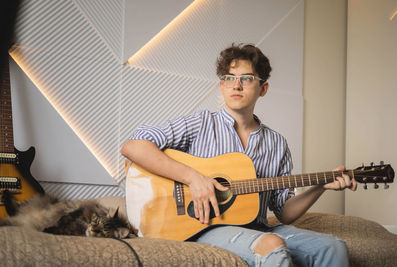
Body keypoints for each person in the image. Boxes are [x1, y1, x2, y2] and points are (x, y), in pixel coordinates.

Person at [121, 43, 357, 267]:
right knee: (272, 245)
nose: (236, 85)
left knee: (333, 247)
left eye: (246, 79)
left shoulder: (276, 143)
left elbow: (283, 212)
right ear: (222, 86)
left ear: (263, 88)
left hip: (258, 227)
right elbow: (133, 147)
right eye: (229, 78)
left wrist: (320, 186)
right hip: (205, 226)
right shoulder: (202, 123)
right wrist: (194, 178)